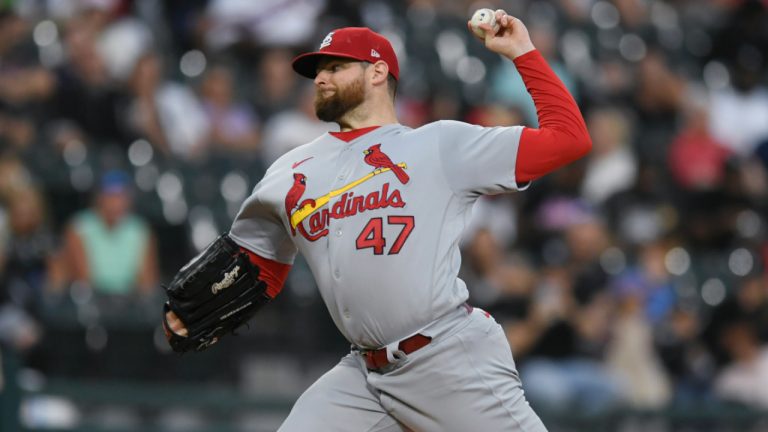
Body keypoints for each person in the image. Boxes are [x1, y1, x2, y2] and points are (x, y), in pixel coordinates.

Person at [166, 10, 591, 431]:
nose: (321, 78)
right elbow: (258, 264)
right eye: (317, 70)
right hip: (364, 376)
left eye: (335, 66)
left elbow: (569, 139)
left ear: (377, 72)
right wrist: (198, 309)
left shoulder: (440, 144)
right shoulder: (291, 171)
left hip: (446, 358)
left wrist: (523, 52)